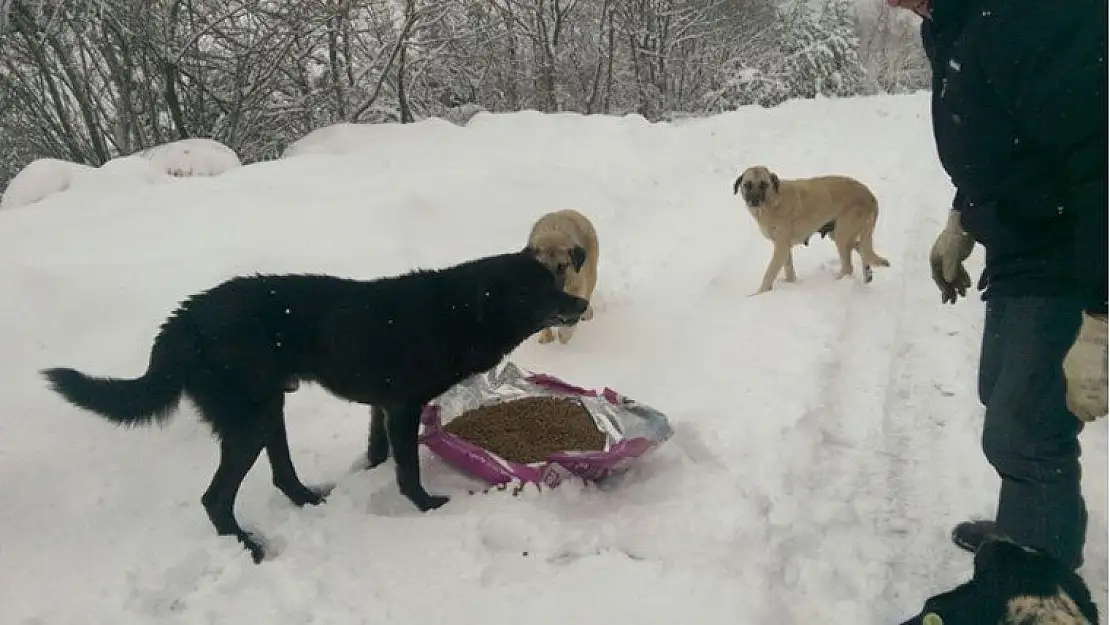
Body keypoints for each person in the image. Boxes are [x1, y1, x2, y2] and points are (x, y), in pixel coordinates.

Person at [886, 0, 1108, 575]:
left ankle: (1038, 587)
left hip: (1069, 251)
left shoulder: (1023, 16)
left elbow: (1100, 155)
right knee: (1001, 397)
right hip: (1023, 244)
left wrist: (1102, 316)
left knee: (1027, 432)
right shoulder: (954, 23)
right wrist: (964, 217)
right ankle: (1026, 529)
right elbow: (1004, 139)